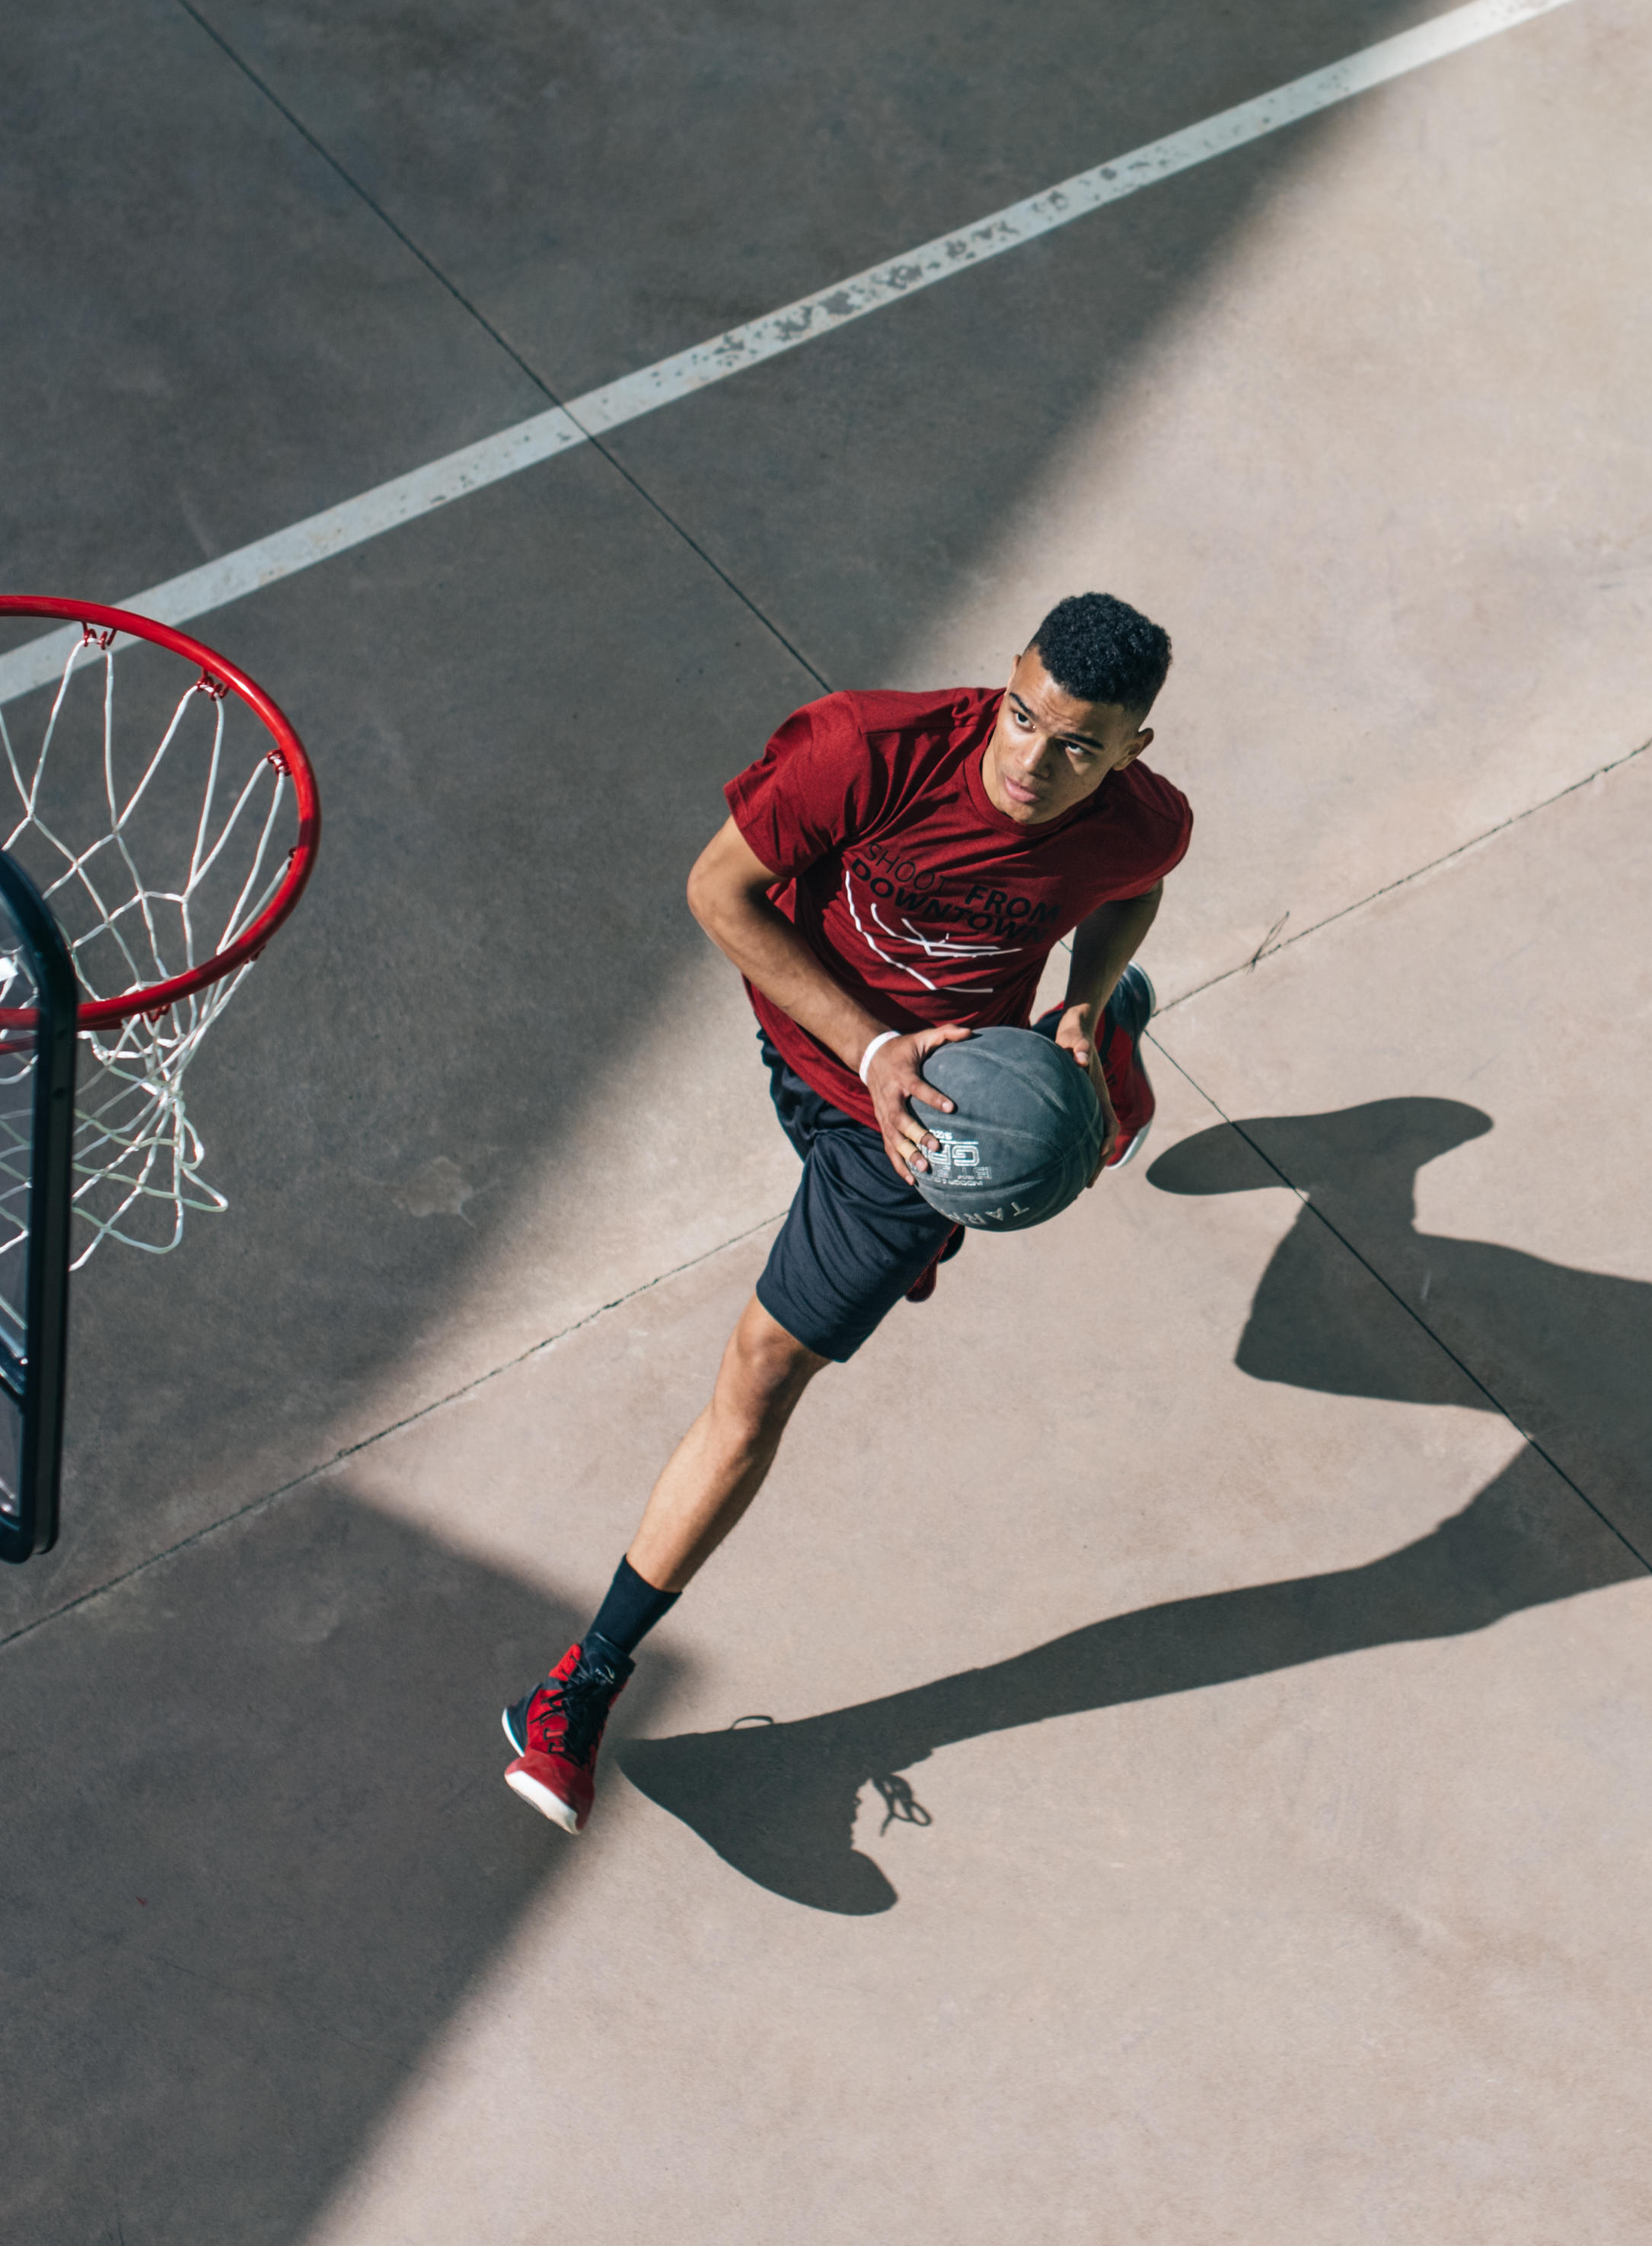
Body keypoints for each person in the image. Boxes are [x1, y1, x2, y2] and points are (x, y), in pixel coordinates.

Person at [500, 592, 1192, 1831]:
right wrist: (869, 1049)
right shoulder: (866, 753)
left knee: (761, 1377)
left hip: (928, 1126)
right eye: (1023, 716)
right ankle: (1094, 1089)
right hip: (835, 1051)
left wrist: (1082, 1000)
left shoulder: (1143, 822)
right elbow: (719, 895)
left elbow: (1134, 886)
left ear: (1133, 750)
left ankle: (580, 1683)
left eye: (1079, 746)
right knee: (999, 1137)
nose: (1033, 762)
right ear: (1007, 679)